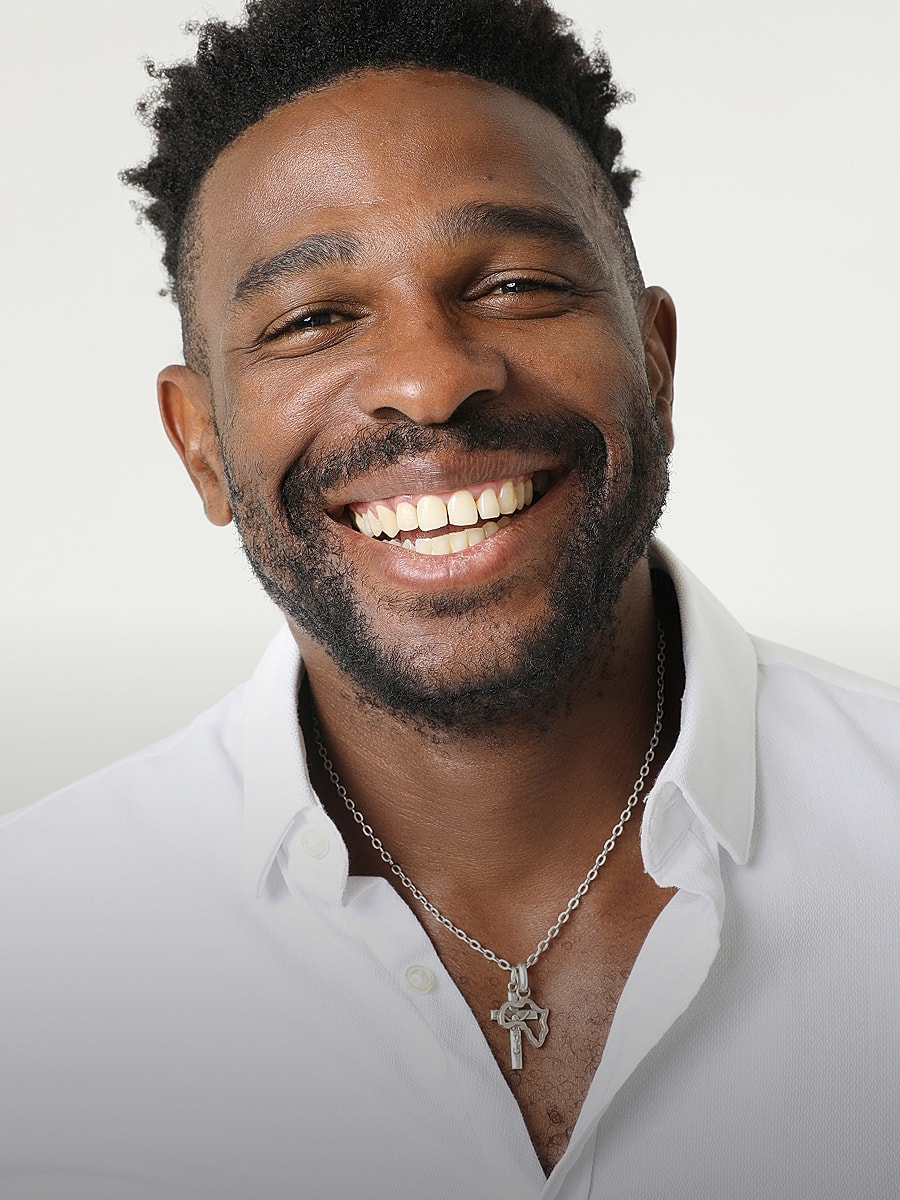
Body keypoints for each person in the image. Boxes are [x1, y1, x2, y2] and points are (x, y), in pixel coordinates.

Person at [1, 1, 898, 1197]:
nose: (429, 381)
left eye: (519, 284)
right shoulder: (34, 959)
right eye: (315, 319)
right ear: (201, 444)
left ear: (659, 359)